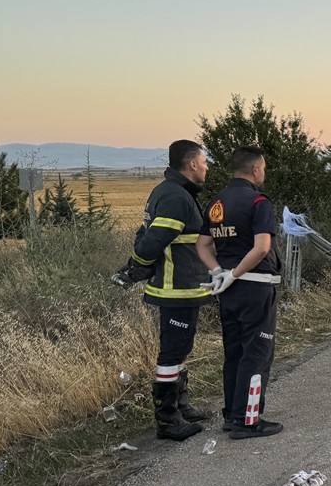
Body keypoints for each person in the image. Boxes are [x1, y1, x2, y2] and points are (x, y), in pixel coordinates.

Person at [113, 140, 213, 441]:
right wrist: (137, 266)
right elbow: (152, 240)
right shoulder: (175, 196)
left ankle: (181, 407)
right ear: (192, 163)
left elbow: (148, 235)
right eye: (204, 161)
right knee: (171, 352)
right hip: (175, 289)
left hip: (184, 288)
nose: (207, 167)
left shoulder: (172, 192)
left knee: (180, 349)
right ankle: (168, 420)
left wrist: (139, 266)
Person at [196, 145, 284, 439]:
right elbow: (262, 247)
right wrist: (234, 273)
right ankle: (248, 421)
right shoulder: (259, 201)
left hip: (229, 291)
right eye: (264, 169)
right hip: (256, 286)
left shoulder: (217, 201)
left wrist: (218, 272)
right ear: (255, 169)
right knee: (257, 353)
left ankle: (232, 415)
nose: (264, 173)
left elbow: (202, 245)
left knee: (234, 352)